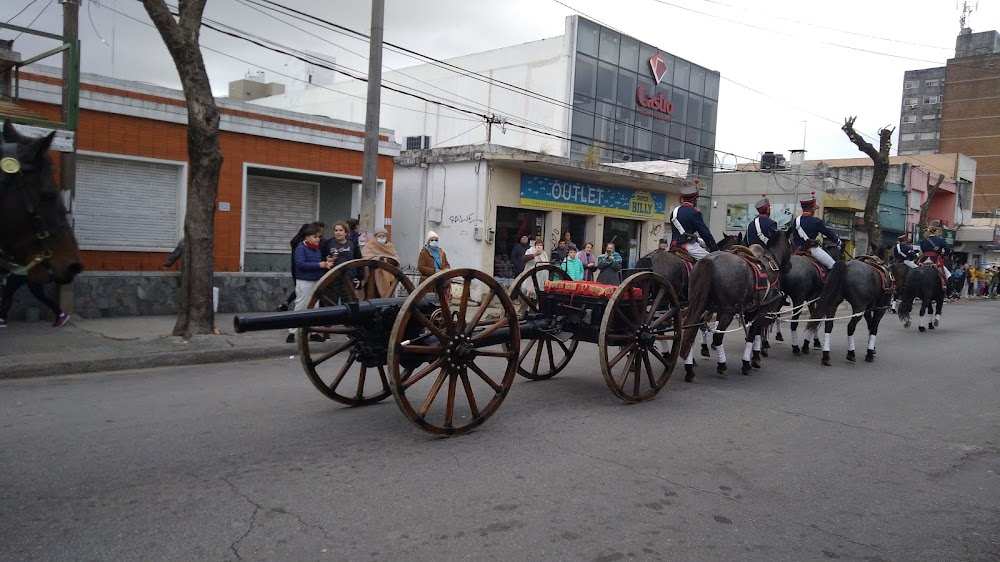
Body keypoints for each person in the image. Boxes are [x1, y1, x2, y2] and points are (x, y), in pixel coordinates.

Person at [287, 224, 334, 343]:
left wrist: (325, 263)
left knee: (315, 306)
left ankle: (313, 332)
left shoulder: (316, 249)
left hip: (315, 280)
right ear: (307, 237)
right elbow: (301, 264)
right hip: (304, 281)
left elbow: (317, 263)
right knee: (301, 305)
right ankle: (292, 332)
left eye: (319, 237)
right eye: (315, 237)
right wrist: (320, 265)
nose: (318, 239)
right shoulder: (300, 248)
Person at [669, 182, 718, 260]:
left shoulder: (674, 211)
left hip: (673, 245)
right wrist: (714, 248)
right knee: (712, 260)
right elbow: (704, 233)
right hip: (687, 246)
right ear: (694, 200)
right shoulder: (694, 212)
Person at [791, 192, 840, 269]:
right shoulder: (817, 222)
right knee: (833, 266)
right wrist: (836, 240)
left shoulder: (795, 221)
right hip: (812, 250)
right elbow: (827, 233)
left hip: (795, 251)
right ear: (813, 208)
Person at [0, 275, 70, 328]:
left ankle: (1, 319)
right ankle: (61, 314)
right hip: (30, 271)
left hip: (23, 271)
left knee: (7, 294)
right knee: (41, 296)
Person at [361, 227, 401, 297]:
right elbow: (365, 257)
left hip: (387, 276)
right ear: (375, 237)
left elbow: (395, 258)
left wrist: (387, 260)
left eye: (383, 236)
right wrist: (378, 259)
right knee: (372, 293)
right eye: (379, 236)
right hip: (372, 276)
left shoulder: (390, 246)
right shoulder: (370, 245)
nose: (381, 238)